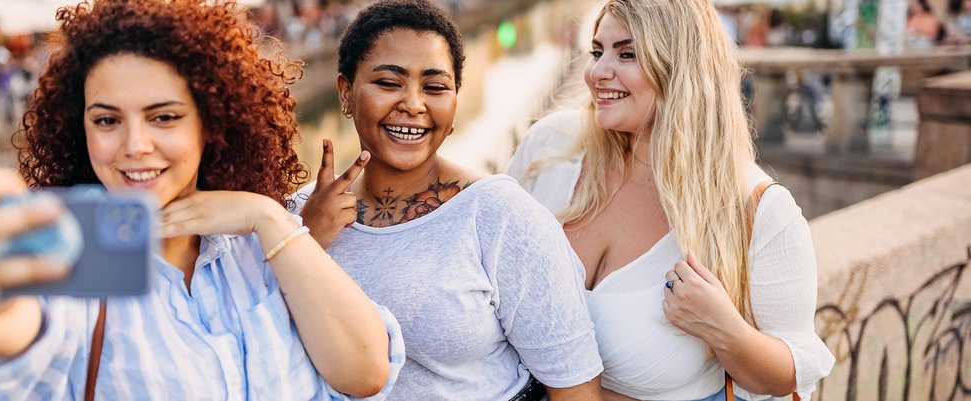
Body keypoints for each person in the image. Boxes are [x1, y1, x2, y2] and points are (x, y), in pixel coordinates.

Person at [0, 0, 404, 399]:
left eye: (164, 117)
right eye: (107, 120)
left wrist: (267, 217)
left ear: (210, 124)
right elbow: (17, 334)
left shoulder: (260, 244)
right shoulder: (77, 261)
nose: (134, 146)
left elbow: (365, 372)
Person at [506, 1, 835, 400]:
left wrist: (724, 329)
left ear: (680, 67)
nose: (596, 72)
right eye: (598, 51)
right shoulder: (551, 146)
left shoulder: (756, 208)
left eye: (626, 54)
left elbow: (790, 376)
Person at [295, 1, 603, 400]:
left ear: (455, 102)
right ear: (346, 93)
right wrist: (303, 241)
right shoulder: (295, 215)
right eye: (389, 83)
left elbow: (575, 389)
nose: (413, 104)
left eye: (435, 87)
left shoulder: (500, 216)